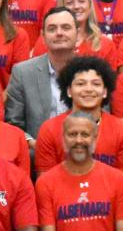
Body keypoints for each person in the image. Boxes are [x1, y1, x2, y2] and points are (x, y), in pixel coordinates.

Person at [5, 7, 80, 138]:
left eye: (66, 27)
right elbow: (13, 125)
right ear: (43, 37)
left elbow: (102, 120)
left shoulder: (93, 71)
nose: (59, 33)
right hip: (37, 153)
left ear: (77, 34)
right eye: (52, 29)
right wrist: (33, 143)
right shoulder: (23, 73)